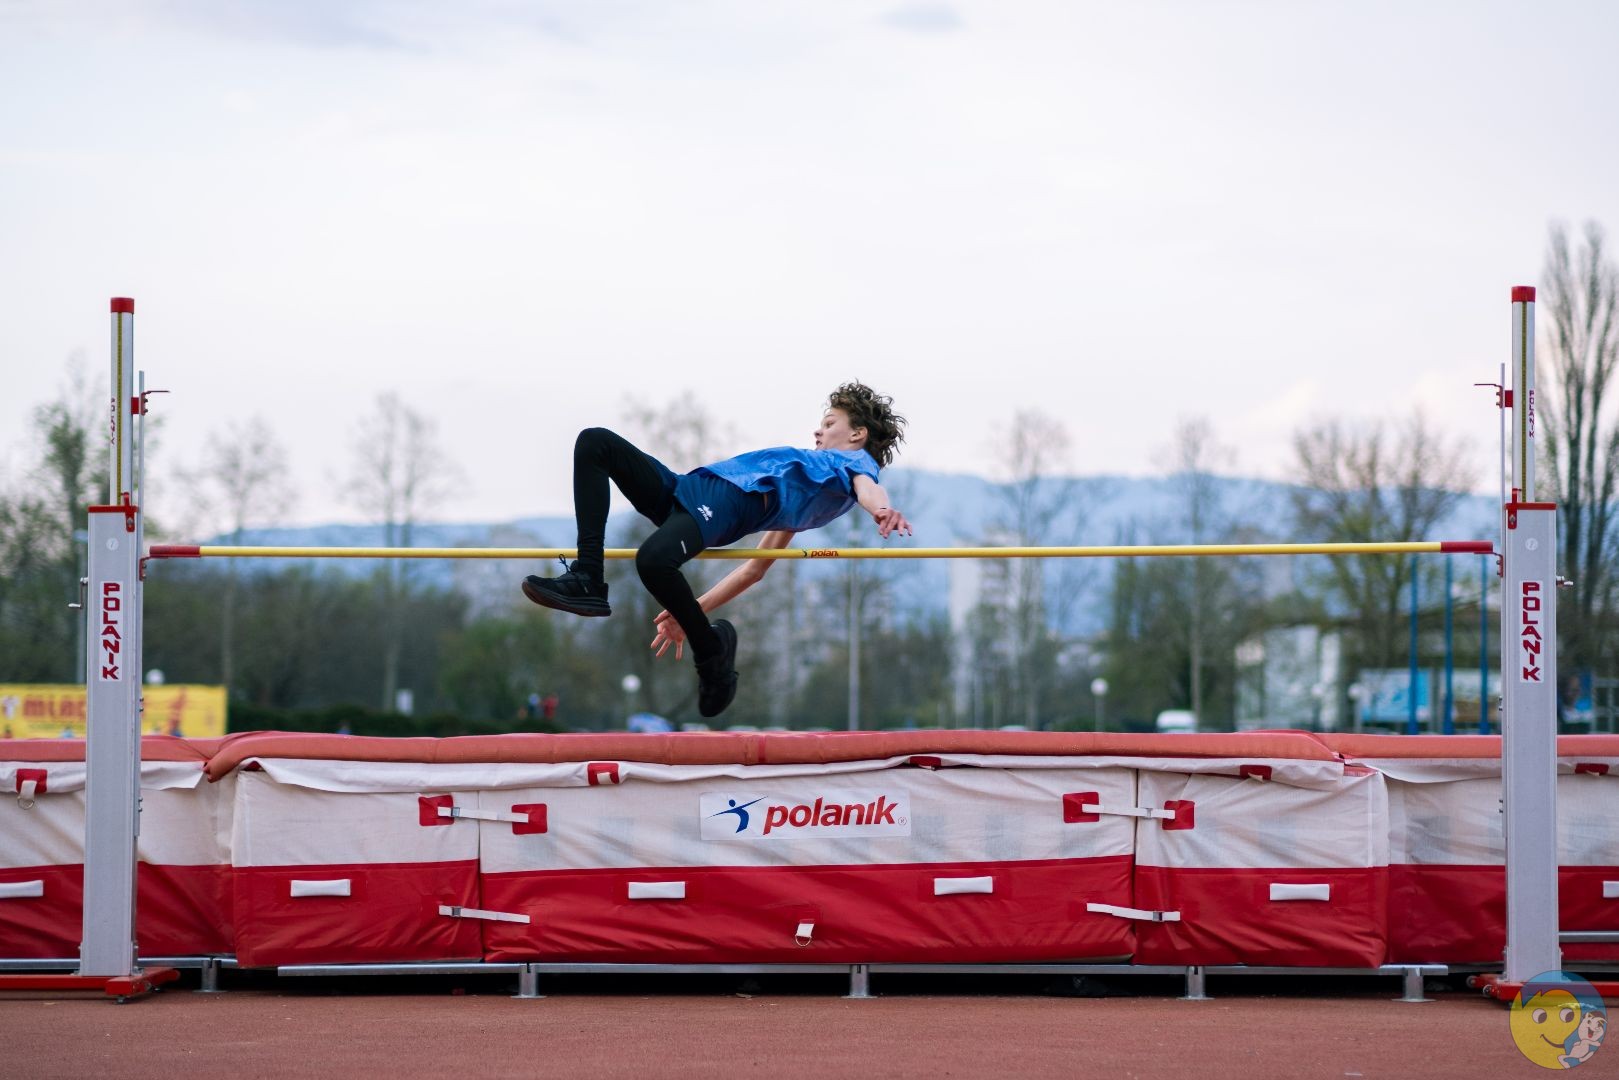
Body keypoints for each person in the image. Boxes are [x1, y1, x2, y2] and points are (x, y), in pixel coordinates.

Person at [522, 382, 910, 718]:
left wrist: (881, 510)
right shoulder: (814, 483)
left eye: (829, 423)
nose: (818, 430)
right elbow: (754, 570)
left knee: (653, 561)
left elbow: (868, 487)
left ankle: (710, 655)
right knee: (595, 443)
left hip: (724, 505)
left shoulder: (853, 464)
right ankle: (589, 577)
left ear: (857, 435)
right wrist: (690, 612)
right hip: (688, 490)